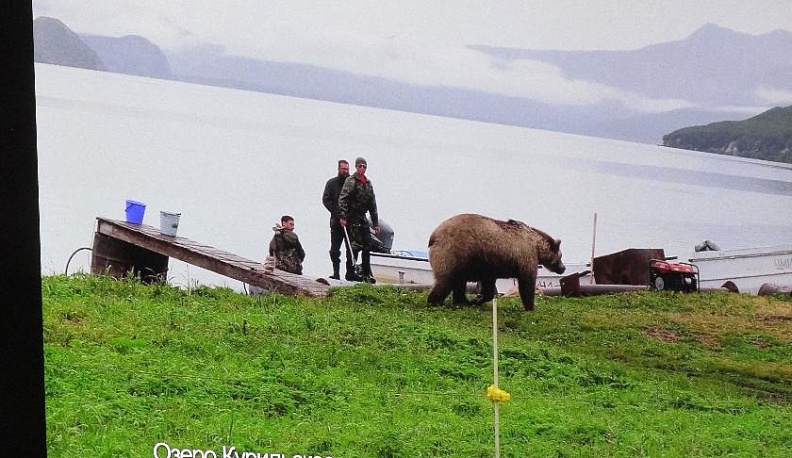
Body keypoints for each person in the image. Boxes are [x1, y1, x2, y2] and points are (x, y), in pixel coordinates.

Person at [338, 156, 380, 283]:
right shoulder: (351, 181)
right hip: (352, 216)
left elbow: (373, 204)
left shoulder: (368, 183)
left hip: (362, 216)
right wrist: (343, 216)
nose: (362, 168)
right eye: (360, 166)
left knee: (367, 245)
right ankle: (351, 272)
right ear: (356, 167)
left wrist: (375, 222)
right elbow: (343, 199)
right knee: (355, 246)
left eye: (364, 166)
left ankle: (367, 273)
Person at [322, 159, 355, 280]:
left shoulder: (353, 183)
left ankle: (350, 273)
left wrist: (349, 216)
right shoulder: (331, 183)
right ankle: (336, 273)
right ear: (338, 169)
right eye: (343, 169)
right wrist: (338, 214)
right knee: (334, 250)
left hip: (351, 223)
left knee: (351, 249)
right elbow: (326, 200)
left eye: (347, 169)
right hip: (336, 223)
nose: (345, 171)